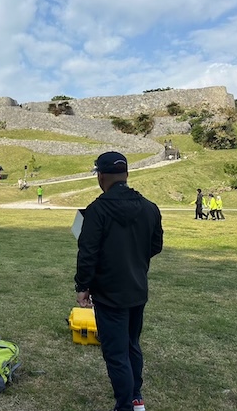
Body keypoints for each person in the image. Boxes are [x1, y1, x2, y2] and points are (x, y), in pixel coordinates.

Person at [75, 151, 163, 411]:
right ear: (127, 175)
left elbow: (87, 254)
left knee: (116, 353)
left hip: (109, 292)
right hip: (137, 288)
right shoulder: (150, 207)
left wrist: (83, 286)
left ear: (100, 176)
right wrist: (133, 258)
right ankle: (136, 397)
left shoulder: (96, 211)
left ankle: (125, 405)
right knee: (132, 344)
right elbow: (155, 246)